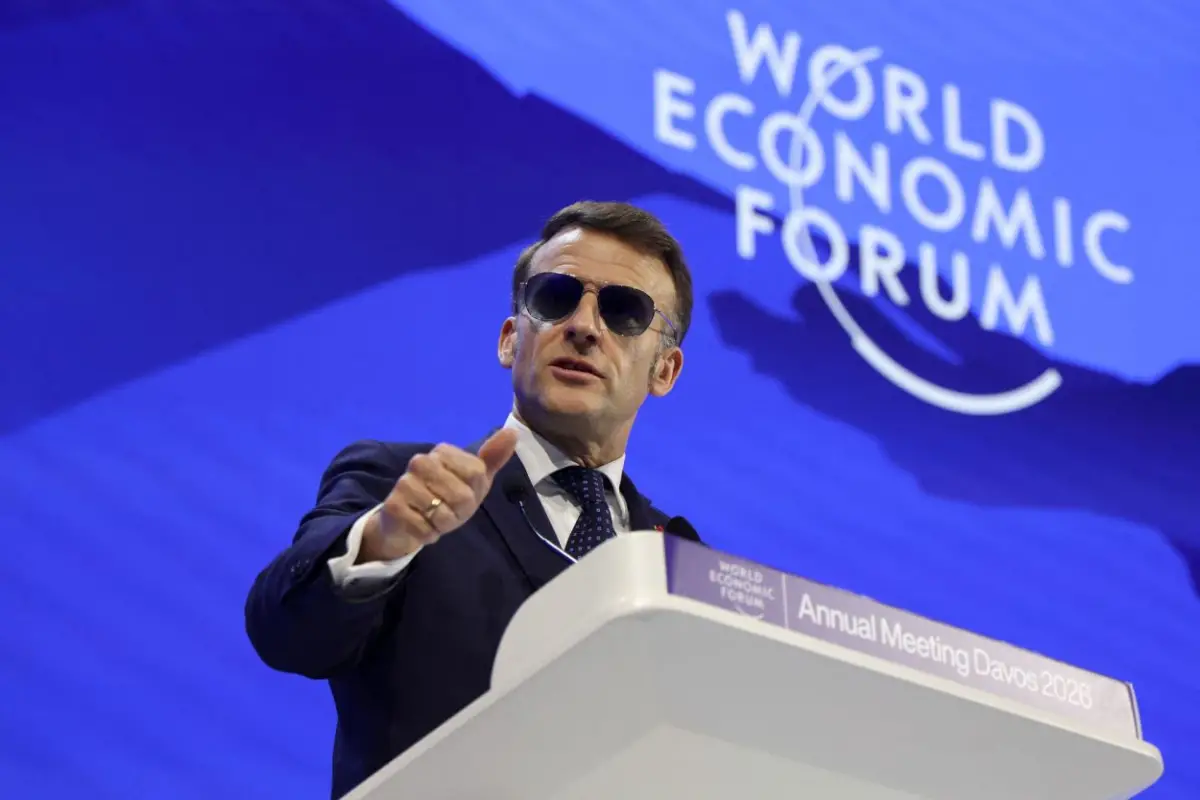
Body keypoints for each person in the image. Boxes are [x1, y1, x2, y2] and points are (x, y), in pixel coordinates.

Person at [244, 200, 703, 798]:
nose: (584, 326)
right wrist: (383, 542)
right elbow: (285, 634)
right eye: (556, 297)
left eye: (624, 311)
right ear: (511, 339)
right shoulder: (398, 487)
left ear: (665, 370)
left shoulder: (674, 558)